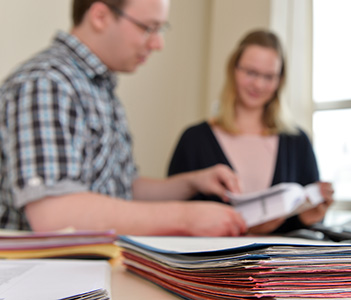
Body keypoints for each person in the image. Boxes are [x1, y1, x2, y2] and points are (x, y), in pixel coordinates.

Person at [0, 0, 248, 237]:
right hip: (41, 275)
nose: (158, 43)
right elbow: (55, 215)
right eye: (148, 28)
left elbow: (124, 190)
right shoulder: (47, 83)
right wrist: (185, 218)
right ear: (100, 16)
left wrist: (193, 183)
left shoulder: (99, 88)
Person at [168, 29, 335, 234]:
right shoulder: (193, 140)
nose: (258, 84)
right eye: (251, 73)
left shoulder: (297, 142)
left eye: (269, 76)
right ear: (233, 70)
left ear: (280, 80)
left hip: (280, 264)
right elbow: (175, 218)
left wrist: (308, 216)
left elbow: (306, 225)